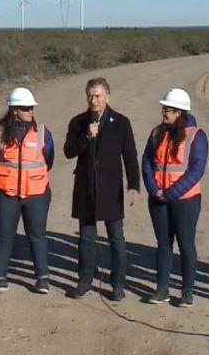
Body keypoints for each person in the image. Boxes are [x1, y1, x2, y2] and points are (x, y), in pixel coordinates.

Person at [64, 77, 140, 301]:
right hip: (86, 189)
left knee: (116, 238)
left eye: (97, 95)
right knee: (86, 239)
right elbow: (69, 151)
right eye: (90, 95)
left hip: (110, 189)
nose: (93, 99)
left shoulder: (122, 122)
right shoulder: (78, 122)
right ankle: (85, 281)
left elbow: (130, 157)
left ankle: (118, 284)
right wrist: (87, 136)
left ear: (107, 96)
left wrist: (134, 185)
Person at [141, 88, 208, 308]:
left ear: (179, 112)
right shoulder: (156, 133)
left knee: (186, 244)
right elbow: (148, 163)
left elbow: (197, 169)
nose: (163, 113)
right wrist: (153, 189)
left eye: (167, 109)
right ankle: (162, 289)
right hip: (158, 198)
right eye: (163, 109)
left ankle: (187, 291)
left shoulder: (196, 135)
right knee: (163, 244)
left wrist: (171, 193)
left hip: (185, 200)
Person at [0, 87, 55, 294]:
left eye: (32, 107)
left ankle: (42, 278)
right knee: (4, 235)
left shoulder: (42, 132)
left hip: (36, 193)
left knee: (37, 235)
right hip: (6, 193)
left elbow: (48, 159)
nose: (30, 111)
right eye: (25, 108)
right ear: (14, 110)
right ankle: (0, 278)